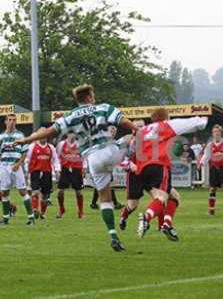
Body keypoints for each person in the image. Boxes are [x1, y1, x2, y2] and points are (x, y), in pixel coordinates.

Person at [17, 84, 138, 251]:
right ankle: (140, 167)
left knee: (105, 198)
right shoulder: (103, 108)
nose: (94, 98)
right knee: (128, 139)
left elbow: (49, 132)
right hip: (108, 151)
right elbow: (123, 121)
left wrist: (26, 140)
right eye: (93, 95)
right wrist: (136, 129)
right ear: (89, 97)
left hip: (93, 160)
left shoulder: (71, 116)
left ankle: (113, 235)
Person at [135, 108, 208, 241]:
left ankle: (167, 225)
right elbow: (190, 123)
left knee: (174, 196)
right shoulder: (165, 125)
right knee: (162, 198)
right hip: (158, 165)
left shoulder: (143, 131)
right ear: (165, 118)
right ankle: (146, 218)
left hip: (142, 170)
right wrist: (202, 120)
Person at [0, 114, 35, 225]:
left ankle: (31, 217)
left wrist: (19, 163)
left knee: (22, 191)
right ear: (5, 122)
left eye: (14, 120)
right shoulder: (1, 136)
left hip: (16, 166)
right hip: (4, 166)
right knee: (4, 192)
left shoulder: (20, 135)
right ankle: (5, 218)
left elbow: (24, 152)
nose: (12, 122)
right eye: (10, 120)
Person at [27, 131, 60, 219]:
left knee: (45, 195)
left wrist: (57, 170)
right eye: (42, 135)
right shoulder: (32, 147)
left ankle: (42, 213)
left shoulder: (51, 147)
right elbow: (27, 159)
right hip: (35, 172)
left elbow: (55, 159)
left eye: (45, 135)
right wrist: (27, 171)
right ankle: (34, 210)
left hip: (47, 172)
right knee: (35, 192)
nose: (43, 137)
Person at [89, 126, 124, 210]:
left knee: (101, 183)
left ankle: (93, 203)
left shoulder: (113, 142)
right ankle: (115, 203)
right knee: (107, 183)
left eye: (115, 130)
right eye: (111, 130)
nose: (113, 132)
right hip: (100, 164)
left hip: (107, 165)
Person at [56, 132, 86, 218]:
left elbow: (84, 156)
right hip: (65, 169)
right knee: (60, 192)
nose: (73, 135)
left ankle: (80, 211)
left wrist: (84, 168)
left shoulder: (80, 144)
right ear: (67, 134)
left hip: (76, 169)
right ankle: (61, 209)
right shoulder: (61, 144)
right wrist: (58, 169)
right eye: (71, 133)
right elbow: (57, 157)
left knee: (79, 192)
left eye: (74, 133)